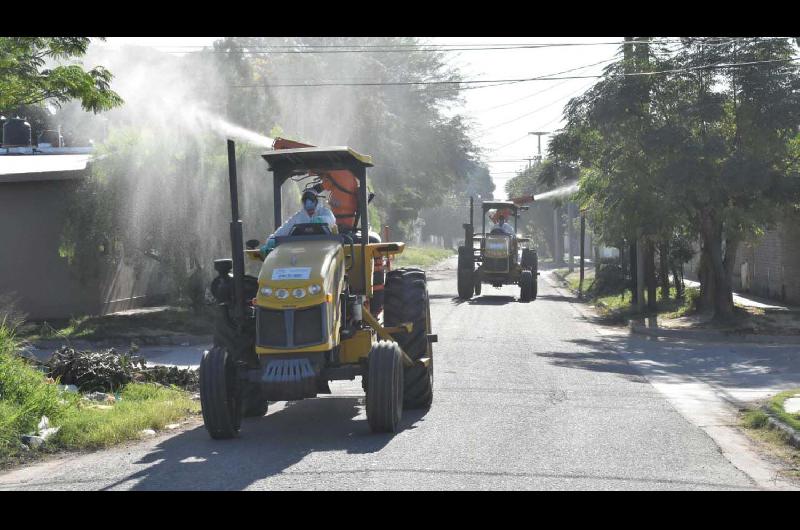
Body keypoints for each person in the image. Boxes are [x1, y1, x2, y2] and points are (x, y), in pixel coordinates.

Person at [260, 189, 337, 257]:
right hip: (302, 253)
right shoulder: (299, 216)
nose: (310, 210)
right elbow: (285, 228)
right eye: (306, 201)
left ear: (316, 201)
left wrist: (321, 220)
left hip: (324, 251)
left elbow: (331, 219)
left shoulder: (324, 212)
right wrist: (272, 240)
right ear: (303, 203)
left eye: (311, 201)